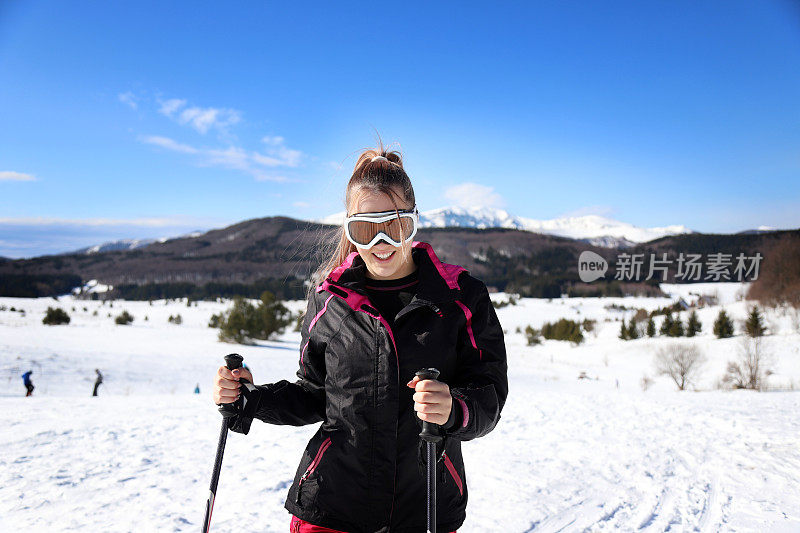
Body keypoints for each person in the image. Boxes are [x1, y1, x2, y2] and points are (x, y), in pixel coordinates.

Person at [213, 146, 508, 533]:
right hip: (332, 506)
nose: (381, 242)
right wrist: (252, 399)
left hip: (424, 507)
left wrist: (454, 407)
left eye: (395, 225)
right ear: (350, 229)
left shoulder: (460, 297)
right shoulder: (328, 299)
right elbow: (316, 395)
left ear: (414, 222)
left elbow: (489, 391)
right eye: (366, 229)